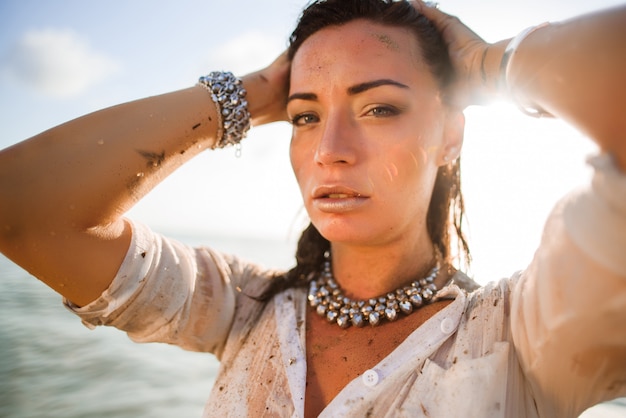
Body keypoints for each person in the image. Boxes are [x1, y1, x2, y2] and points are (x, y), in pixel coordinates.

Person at [0, 0, 624, 416]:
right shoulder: (242, 309)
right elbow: (21, 210)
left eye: (379, 107)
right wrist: (247, 96)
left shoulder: (525, 336)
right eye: (305, 117)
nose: (329, 150)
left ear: (451, 135)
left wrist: (492, 66)